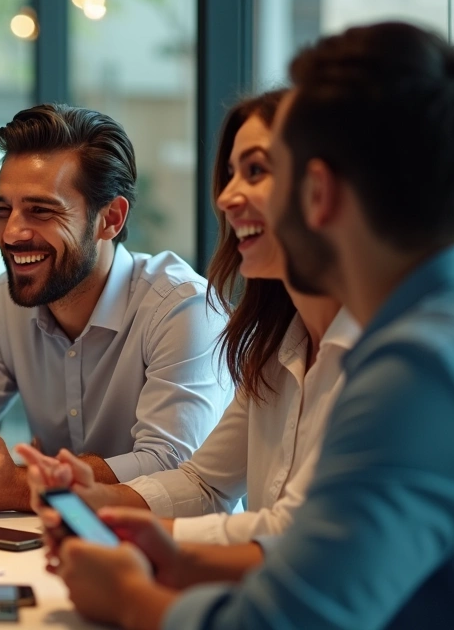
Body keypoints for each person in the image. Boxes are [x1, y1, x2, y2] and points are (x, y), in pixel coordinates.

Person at [43, 22, 454, 629]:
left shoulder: (416, 366)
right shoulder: (416, 330)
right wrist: (177, 554)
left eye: (270, 172)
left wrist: (131, 598)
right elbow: (317, 560)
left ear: (315, 193)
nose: (232, 199)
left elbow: (286, 619)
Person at [20, 89, 359, 547]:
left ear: (324, 188)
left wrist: (141, 545)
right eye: (232, 174)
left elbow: (297, 538)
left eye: (256, 171)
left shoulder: (377, 355)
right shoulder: (274, 343)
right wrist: (92, 499)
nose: (227, 197)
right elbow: (204, 484)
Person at [0, 103, 231, 513]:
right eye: (4, 210)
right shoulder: (7, 301)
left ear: (109, 219)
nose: (12, 233)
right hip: (54, 549)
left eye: (41, 211)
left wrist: (20, 486)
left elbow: (172, 465)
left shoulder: (184, 308)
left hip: (172, 556)